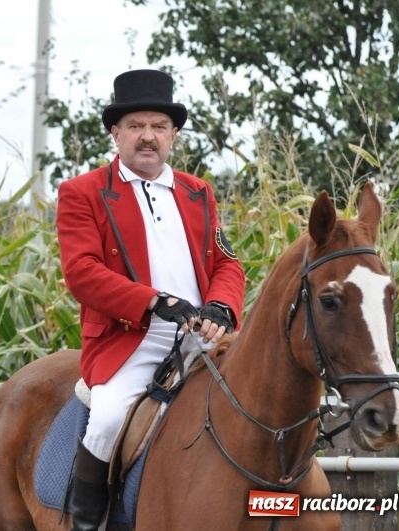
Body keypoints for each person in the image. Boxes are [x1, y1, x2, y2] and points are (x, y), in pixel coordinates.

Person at [55, 69, 246, 530]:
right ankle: (90, 524)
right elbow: (81, 273)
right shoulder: (82, 192)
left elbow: (227, 264)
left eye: (158, 127)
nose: (148, 137)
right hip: (132, 342)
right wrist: (153, 302)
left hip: (206, 338)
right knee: (105, 419)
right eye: (136, 126)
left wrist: (221, 306)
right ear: (115, 133)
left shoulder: (199, 192)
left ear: (173, 135)